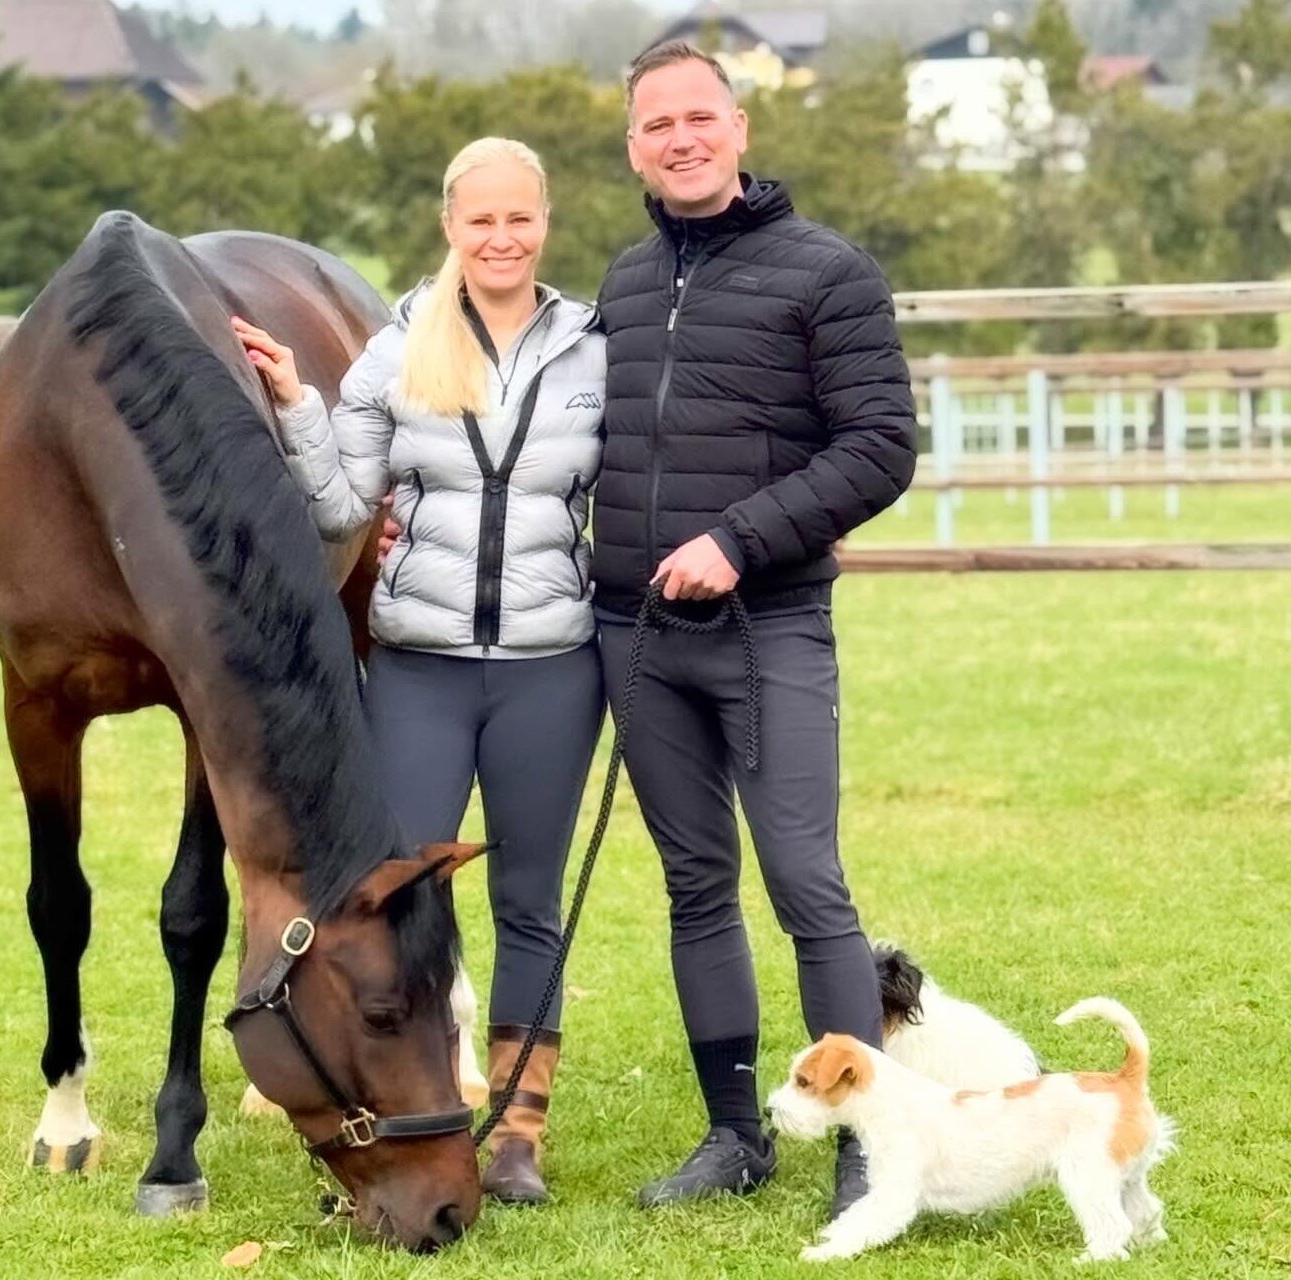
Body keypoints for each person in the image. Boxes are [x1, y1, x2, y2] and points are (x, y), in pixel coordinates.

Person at [233, 136, 606, 1206]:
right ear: (451, 226)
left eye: (519, 218)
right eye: (480, 219)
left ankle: (520, 1129)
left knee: (530, 900)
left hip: (551, 669)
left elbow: (631, 492)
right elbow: (345, 503)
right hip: (421, 673)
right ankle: (387, 1114)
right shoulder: (397, 347)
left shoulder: (594, 349)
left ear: (544, 224)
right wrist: (301, 404)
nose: (501, 236)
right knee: (384, 906)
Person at [592, 42, 919, 1214]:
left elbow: (881, 447)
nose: (678, 138)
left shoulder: (826, 272)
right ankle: (736, 1134)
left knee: (804, 879)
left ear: (737, 128)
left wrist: (738, 537)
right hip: (636, 636)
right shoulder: (623, 287)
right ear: (633, 144)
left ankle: (868, 1144)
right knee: (694, 881)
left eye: (698, 118)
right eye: (654, 124)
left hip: (768, 626)